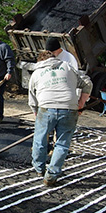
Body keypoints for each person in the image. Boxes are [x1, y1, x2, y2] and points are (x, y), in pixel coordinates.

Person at [28, 50, 93, 187]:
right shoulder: (68, 67)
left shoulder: (36, 73)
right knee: (62, 144)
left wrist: (36, 113)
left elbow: (32, 99)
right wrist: (81, 103)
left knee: (40, 139)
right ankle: (51, 175)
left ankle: (39, 169)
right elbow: (88, 83)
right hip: (69, 108)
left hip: (46, 109)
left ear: (40, 62)